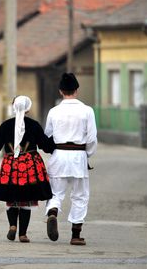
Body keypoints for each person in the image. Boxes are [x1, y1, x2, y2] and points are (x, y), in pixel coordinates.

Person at [0, 96, 56, 243]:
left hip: (10, 164)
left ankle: (12, 226)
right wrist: (58, 139)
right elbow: (46, 145)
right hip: (30, 165)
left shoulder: (5, 126)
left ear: (14, 107)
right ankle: (23, 234)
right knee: (26, 200)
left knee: (11, 198)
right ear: (28, 108)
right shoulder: (34, 125)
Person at [44, 73, 97, 246]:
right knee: (80, 196)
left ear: (61, 91)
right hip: (78, 155)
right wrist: (86, 154)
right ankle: (76, 235)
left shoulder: (54, 111)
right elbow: (92, 138)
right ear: (77, 90)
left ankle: (52, 211)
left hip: (59, 155)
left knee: (55, 192)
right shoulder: (87, 110)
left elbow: (48, 135)